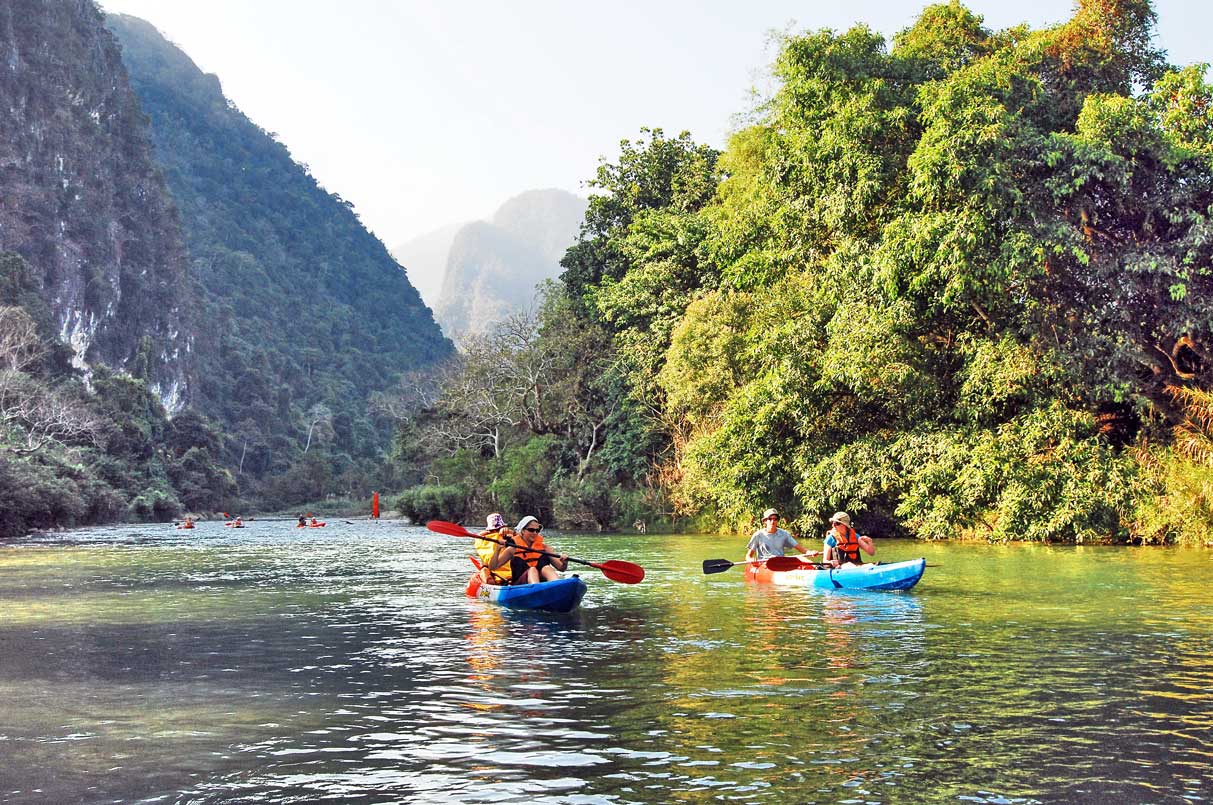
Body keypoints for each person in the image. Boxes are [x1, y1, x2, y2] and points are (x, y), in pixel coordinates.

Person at [514, 516, 568, 583]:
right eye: (531, 530)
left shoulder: (545, 548)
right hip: (519, 584)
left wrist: (564, 562)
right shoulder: (512, 548)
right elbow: (498, 565)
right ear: (522, 531)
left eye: (537, 530)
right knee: (532, 570)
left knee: (547, 568)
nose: (535, 533)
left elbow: (561, 568)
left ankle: (557, 585)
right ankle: (536, 590)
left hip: (541, 581)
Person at [745, 508, 809, 562]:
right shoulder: (758, 535)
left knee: (802, 558)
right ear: (765, 521)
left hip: (780, 563)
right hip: (764, 564)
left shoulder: (784, 534)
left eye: (775, 519)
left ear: (777, 520)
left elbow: (800, 548)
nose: (773, 521)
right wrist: (751, 559)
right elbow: (748, 556)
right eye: (770, 519)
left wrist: (809, 552)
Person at [476, 513, 519, 586]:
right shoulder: (510, 537)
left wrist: (489, 532)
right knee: (484, 569)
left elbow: (478, 536)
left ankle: (490, 583)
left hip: (500, 575)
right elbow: (521, 537)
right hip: (507, 574)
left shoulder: (481, 540)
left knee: (484, 569)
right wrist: (509, 532)